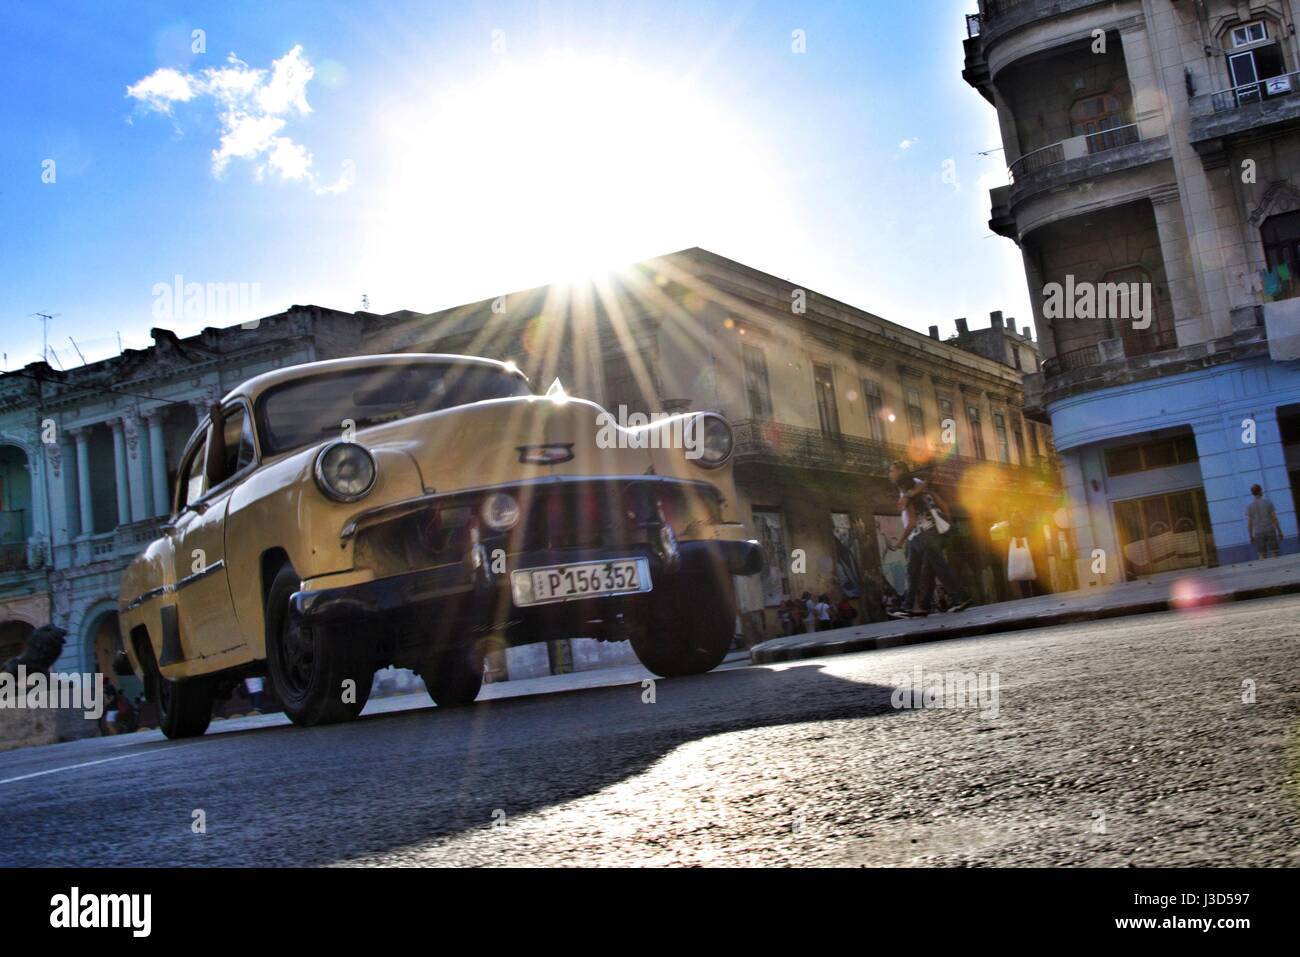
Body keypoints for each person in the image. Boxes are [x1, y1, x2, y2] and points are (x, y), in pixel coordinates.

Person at [887, 460, 971, 618]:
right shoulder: (917, 487)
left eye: (891, 471)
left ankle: (962, 598)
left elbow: (911, 522)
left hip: (922, 534)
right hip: (921, 535)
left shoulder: (908, 490)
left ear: (899, 472)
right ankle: (911, 606)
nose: (889, 474)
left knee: (937, 569)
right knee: (917, 571)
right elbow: (943, 504)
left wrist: (899, 541)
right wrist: (947, 523)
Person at [1246, 484, 1283, 559]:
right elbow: (1274, 518)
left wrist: (1250, 536)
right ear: (1260, 491)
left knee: (1262, 555)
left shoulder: (1249, 506)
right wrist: (1279, 531)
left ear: (1252, 493)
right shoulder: (1268, 503)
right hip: (1270, 530)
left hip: (1258, 532)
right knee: (1275, 553)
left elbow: (1250, 523)